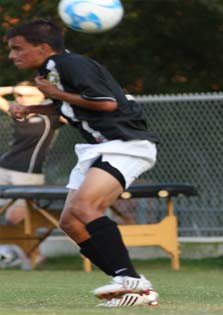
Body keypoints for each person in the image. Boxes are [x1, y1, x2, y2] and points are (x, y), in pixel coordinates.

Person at [6, 19, 160, 307]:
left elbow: (106, 103)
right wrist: (32, 108)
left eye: (18, 48)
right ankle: (135, 288)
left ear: (42, 47)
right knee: (71, 222)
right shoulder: (52, 69)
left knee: (84, 208)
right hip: (97, 148)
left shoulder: (71, 65)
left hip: (125, 143)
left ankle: (131, 279)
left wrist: (55, 94)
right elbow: (69, 104)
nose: (13, 55)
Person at [0, 81, 63, 226]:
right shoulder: (16, 111)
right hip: (3, 168)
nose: (20, 99)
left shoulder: (52, 113)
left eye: (24, 95)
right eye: (17, 96)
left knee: (13, 218)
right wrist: (14, 88)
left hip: (27, 175)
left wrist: (32, 91)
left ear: (39, 95)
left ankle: (28, 248)